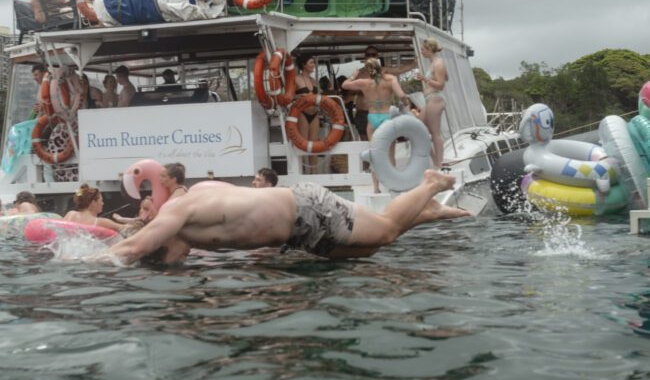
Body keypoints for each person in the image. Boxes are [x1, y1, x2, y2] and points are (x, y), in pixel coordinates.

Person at [99, 170, 469, 266]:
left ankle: (430, 186)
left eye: (171, 260)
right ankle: (426, 213)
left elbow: (132, 248)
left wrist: (85, 262)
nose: (180, 261)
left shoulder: (176, 214)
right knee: (369, 251)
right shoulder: (194, 208)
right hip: (297, 230)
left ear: (165, 242)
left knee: (386, 232)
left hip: (305, 210)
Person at [342, 55, 410, 192]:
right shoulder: (390, 79)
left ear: (368, 70)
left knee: (374, 153)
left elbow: (344, 85)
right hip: (387, 117)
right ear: (380, 68)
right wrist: (407, 103)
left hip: (373, 117)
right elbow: (401, 95)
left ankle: (376, 188)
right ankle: (392, 185)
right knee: (390, 153)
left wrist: (353, 75)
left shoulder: (364, 82)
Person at [416, 37, 448, 168]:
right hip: (430, 99)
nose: (421, 52)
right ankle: (436, 161)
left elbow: (441, 85)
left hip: (436, 99)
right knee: (418, 128)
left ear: (429, 49)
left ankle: (439, 164)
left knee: (435, 133)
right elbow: (446, 77)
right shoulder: (435, 63)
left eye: (423, 50)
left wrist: (425, 79)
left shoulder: (438, 63)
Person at [295, 55, 321, 174]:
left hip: (314, 113)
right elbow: (288, 96)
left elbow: (320, 96)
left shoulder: (314, 81)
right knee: (304, 144)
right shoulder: (296, 79)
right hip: (302, 113)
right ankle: (304, 173)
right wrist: (298, 97)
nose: (313, 65)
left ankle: (314, 173)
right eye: (311, 63)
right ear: (304, 64)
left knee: (314, 145)